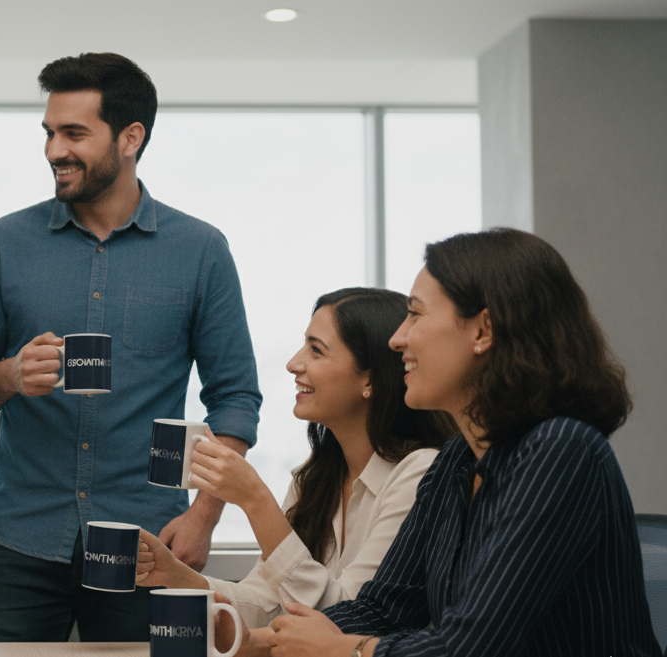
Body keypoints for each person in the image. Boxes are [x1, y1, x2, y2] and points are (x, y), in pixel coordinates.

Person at [0, 52, 263, 642]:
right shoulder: (3, 242)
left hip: (148, 544)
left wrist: (203, 517)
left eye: (74, 134)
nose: (53, 150)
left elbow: (236, 398)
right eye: (48, 132)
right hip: (21, 540)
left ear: (130, 138)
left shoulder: (200, 250)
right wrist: (9, 375)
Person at [267, 228, 659, 657]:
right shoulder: (457, 458)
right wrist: (256, 641)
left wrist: (349, 651)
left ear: (483, 331)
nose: (397, 338)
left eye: (415, 314)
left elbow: (472, 646)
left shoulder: (562, 450)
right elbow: (385, 609)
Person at [135, 288, 456, 653]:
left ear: (370, 379)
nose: (293, 363)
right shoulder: (314, 477)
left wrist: (255, 500)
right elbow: (267, 601)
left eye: (316, 350)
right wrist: (179, 576)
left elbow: (346, 613)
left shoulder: (419, 472)